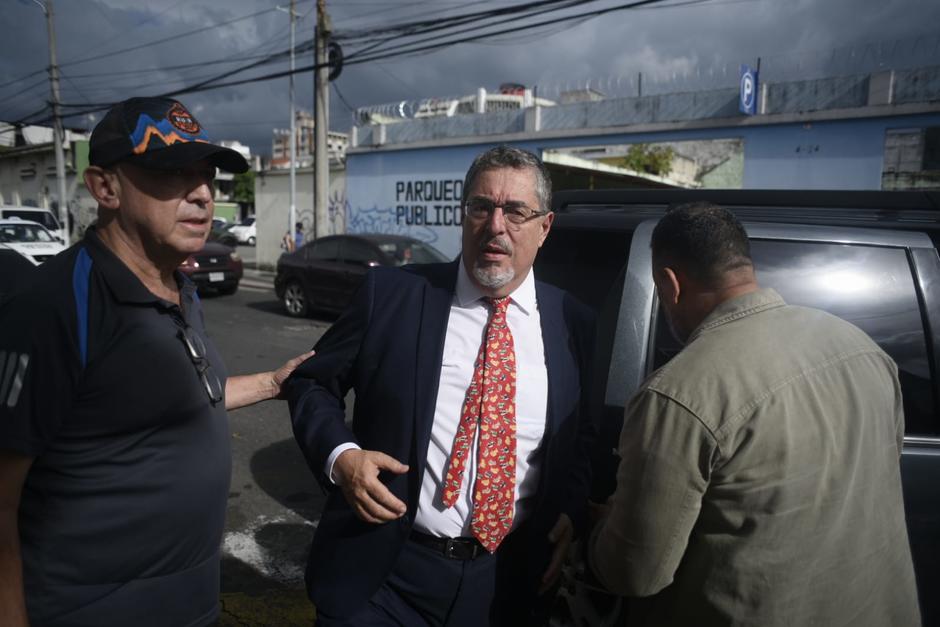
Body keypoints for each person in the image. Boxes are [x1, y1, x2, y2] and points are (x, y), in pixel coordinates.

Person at [0, 96, 310, 627]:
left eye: (207, 176)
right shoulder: (54, 306)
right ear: (106, 187)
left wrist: (271, 382)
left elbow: (178, 400)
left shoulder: (179, 288)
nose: (203, 195)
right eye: (172, 173)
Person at [287, 145, 596, 626]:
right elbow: (310, 382)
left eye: (516, 211)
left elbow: (583, 438)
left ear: (545, 227)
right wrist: (341, 457)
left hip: (505, 585)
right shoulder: (392, 296)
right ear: (463, 214)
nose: (495, 226)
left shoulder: (573, 323)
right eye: (481, 207)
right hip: (383, 578)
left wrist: (571, 511)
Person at [588, 202, 921, 626]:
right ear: (743, 265)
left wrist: (600, 532)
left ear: (669, 284)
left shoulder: (679, 394)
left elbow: (634, 572)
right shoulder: (861, 347)